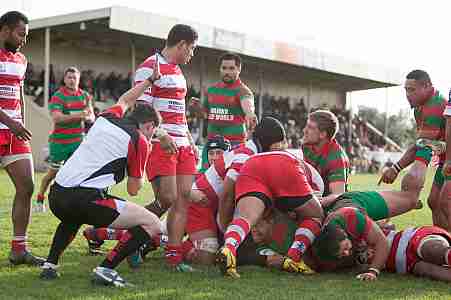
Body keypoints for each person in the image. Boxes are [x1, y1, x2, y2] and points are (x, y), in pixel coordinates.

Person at [39, 70, 163, 287]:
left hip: (56, 196)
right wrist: (146, 153)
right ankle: (106, 269)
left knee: (72, 217)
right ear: (150, 126)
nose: (152, 135)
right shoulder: (140, 141)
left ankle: (50, 266)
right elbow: (134, 189)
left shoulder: (107, 116)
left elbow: (126, 99)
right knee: (153, 223)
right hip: (85, 200)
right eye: (154, 132)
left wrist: (150, 81)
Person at [133, 24, 199, 271]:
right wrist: (160, 134)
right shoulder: (150, 66)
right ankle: (132, 234)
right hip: (161, 143)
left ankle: (174, 256)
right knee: (167, 198)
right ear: (181, 44)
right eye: (191, 49)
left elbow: (179, 114)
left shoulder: (178, 71)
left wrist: (190, 140)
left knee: (183, 200)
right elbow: (141, 110)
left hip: (182, 142)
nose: (192, 54)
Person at [218, 151, 324, 278]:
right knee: (316, 215)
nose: (254, 230)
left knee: (246, 218)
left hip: (251, 164)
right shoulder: (317, 184)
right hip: (284, 164)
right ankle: (294, 257)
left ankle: (229, 247)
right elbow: (312, 207)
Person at [0, 11, 44, 266]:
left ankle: (19, 249)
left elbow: (18, 93)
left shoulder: (21, 59)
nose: (23, 40)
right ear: (5, 30)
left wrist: (22, 123)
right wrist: (11, 123)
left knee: (27, 187)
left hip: (15, 132)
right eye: (21, 34)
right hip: (9, 126)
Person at [380, 70, 447, 228]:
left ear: (427, 87)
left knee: (444, 202)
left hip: (447, 157)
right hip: (446, 157)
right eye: (406, 90)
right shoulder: (419, 108)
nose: (408, 95)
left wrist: (396, 170)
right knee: (434, 201)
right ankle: (444, 240)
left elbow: (423, 148)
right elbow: (421, 144)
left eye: (412, 90)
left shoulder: (435, 105)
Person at [35, 67, 94, 212]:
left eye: (75, 77)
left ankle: (72, 203)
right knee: (52, 173)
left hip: (78, 141)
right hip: (59, 142)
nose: (72, 80)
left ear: (79, 79)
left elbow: (91, 117)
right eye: (69, 77)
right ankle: (40, 199)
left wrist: (87, 116)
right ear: (65, 79)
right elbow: (57, 118)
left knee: (76, 173)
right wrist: (80, 115)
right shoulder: (58, 96)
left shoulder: (85, 96)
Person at [190, 52, 257, 169]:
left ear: (239, 69)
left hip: (234, 145)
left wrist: (250, 113)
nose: (227, 72)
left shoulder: (243, 91)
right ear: (220, 69)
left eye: (231, 68)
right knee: (206, 182)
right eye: (224, 68)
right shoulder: (211, 90)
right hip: (211, 145)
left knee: (230, 182)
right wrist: (196, 107)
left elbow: (248, 105)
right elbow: (204, 115)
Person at [365, 225, 451, 283]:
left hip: (411, 238)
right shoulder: (354, 261)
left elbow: (386, 225)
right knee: (430, 271)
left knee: (430, 250)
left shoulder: (360, 225)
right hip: (409, 265)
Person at [302, 110, 350, 201]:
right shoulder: (306, 146)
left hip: (330, 205)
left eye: (310, 127)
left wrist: (315, 202)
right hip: (311, 196)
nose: (304, 130)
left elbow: (338, 194)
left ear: (322, 134)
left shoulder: (336, 157)